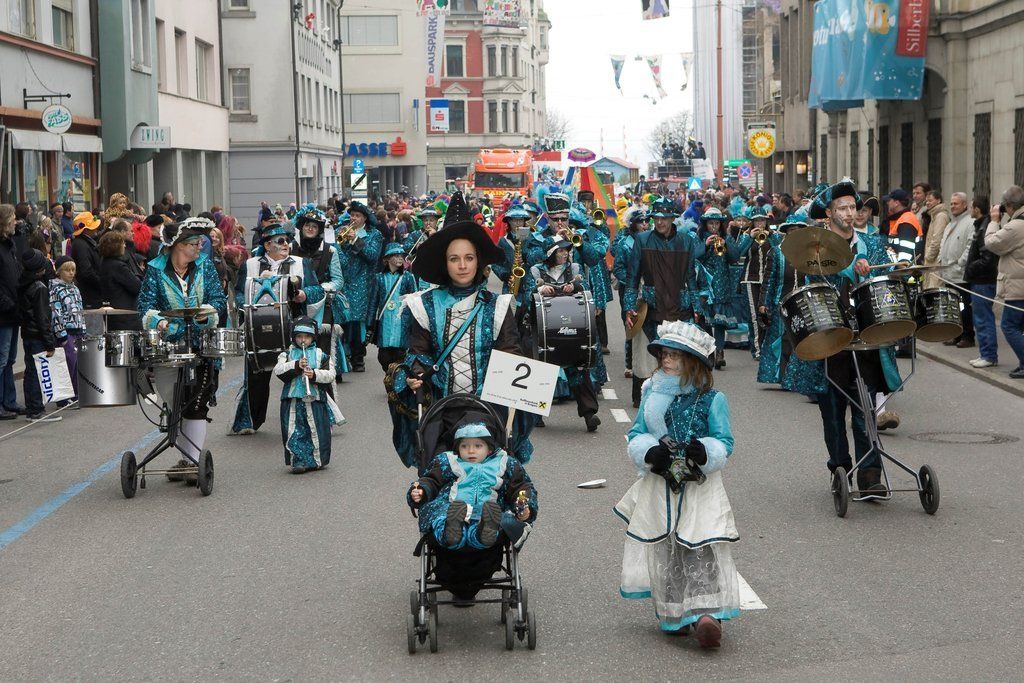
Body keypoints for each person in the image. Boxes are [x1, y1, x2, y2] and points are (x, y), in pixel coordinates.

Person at [386, 191, 535, 468]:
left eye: (469, 257)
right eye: (454, 259)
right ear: (445, 262)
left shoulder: (498, 305)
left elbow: (510, 354)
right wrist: (416, 374)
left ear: (479, 261)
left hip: (489, 411)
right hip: (441, 412)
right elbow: (419, 352)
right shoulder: (424, 305)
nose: (463, 265)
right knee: (439, 480)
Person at [615, 321, 738, 647]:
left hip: (699, 486)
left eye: (675, 356)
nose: (666, 361)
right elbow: (638, 432)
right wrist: (648, 452)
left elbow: (724, 441)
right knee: (667, 546)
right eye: (664, 355)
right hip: (661, 484)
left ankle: (707, 615)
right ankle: (674, 614)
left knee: (699, 542)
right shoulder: (651, 392)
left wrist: (706, 451)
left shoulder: (712, 398)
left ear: (693, 362)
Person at [802, 180, 903, 494]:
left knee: (864, 411)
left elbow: (883, 284)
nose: (849, 213)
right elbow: (811, 286)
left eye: (852, 207)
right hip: (832, 338)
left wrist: (874, 271)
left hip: (867, 337)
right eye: (842, 208)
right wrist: (846, 269)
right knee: (832, 414)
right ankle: (840, 469)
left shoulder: (871, 243)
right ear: (829, 213)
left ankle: (870, 476)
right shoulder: (816, 246)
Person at [137, 219, 226, 479]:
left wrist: (207, 313)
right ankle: (188, 460)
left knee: (197, 403)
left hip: (202, 345)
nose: (200, 247)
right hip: (169, 347)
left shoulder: (205, 265)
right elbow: (145, 305)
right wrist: (159, 321)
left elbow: (218, 299)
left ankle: (191, 461)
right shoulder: (155, 269)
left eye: (200, 243)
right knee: (175, 400)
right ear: (178, 245)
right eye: (194, 243)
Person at [231, 222, 325, 435]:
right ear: (267, 245)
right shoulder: (250, 265)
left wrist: (304, 294)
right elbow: (238, 293)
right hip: (258, 328)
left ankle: (312, 417)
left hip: (294, 326)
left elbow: (317, 290)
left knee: (301, 370)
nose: (286, 245)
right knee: (256, 375)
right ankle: (250, 420)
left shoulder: (301, 263)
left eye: (288, 240)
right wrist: (246, 303)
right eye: (280, 241)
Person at [623, 197, 705, 404]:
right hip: (651, 307)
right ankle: (643, 399)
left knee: (677, 356)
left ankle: (676, 398)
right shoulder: (642, 240)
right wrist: (628, 307)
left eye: (665, 218)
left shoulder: (686, 241)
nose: (660, 222)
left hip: (679, 307)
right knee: (645, 359)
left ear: (672, 218)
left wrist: (697, 307)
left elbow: (691, 278)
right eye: (656, 218)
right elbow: (632, 277)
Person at [408, 421, 537, 550]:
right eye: (464, 446)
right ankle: (450, 532)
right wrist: (422, 490)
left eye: (478, 446)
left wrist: (524, 507)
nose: (471, 451)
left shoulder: (505, 463)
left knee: (500, 520)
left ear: (489, 449)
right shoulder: (448, 462)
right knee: (440, 515)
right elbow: (431, 480)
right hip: (452, 506)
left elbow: (521, 486)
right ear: (457, 449)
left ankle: (483, 532)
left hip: (487, 510)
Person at [529, 239, 601, 432]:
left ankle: (589, 414)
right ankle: (536, 414)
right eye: (560, 251)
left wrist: (575, 287)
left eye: (567, 251)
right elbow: (527, 292)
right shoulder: (536, 270)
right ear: (550, 253)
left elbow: (585, 289)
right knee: (541, 369)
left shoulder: (574, 268)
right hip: (544, 327)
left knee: (578, 366)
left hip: (572, 324)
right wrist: (539, 289)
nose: (565, 254)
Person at [273, 316, 340, 473]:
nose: (303, 340)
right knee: (294, 431)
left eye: (307, 337)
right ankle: (298, 461)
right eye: (299, 336)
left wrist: (314, 374)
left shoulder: (321, 355)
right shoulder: (287, 354)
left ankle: (316, 460)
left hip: (315, 400)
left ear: (313, 337)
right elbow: (278, 370)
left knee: (316, 430)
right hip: (292, 400)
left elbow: (331, 375)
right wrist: (296, 365)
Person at [289, 204, 348, 380]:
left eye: (314, 226)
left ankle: (324, 374)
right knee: (298, 337)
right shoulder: (291, 248)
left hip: (323, 302)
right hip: (297, 301)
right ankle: (298, 371)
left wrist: (319, 290)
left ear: (319, 230)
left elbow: (338, 280)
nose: (310, 229)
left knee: (323, 340)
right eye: (307, 225)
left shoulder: (330, 250)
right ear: (301, 227)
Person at [336, 201, 383, 373]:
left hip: (363, 281)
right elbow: (335, 252)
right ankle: (344, 354)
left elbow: (372, 256)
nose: (353, 219)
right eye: (352, 215)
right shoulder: (340, 230)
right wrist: (342, 243)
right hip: (344, 280)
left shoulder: (374, 234)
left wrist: (355, 240)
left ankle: (358, 356)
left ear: (365, 218)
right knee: (343, 317)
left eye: (357, 216)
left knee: (357, 320)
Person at [983, 185, 1024, 379]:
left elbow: (991, 243)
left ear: (1009, 206)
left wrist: (993, 221)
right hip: (1020, 285)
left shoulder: (1016, 226)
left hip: (1018, 288)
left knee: (1009, 325)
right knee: (1018, 327)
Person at [18, 249, 61, 422]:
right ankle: (36, 409)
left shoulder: (23, 283)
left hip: (27, 333)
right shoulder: (40, 288)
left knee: (30, 371)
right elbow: (43, 318)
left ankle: (31, 407)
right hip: (38, 336)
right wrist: (50, 343)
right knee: (37, 372)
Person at [697, 207, 740, 369]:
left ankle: (720, 352)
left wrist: (726, 244)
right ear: (705, 224)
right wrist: (706, 245)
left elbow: (735, 258)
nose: (714, 227)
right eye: (711, 223)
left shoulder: (726, 238)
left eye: (716, 223)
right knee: (707, 321)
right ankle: (710, 352)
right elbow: (693, 256)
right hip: (706, 284)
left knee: (720, 322)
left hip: (722, 284)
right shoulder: (699, 238)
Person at [367, 242, 417, 372]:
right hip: (385, 322)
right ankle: (390, 375)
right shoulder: (379, 278)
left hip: (402, 322)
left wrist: (414, 324)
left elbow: (415, 301)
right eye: (396, 255)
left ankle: (397, 379)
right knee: (383, 357)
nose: (400, 258)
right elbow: (373, 302)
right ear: (387, 259)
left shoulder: (408, 277)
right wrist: (369, 324)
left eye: (402, 256)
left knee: (400, 355)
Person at [611, 208, 648, 379]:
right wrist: (633, 281)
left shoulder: (650, 240)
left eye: (646, 221)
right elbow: (618, 268)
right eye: (641, 222)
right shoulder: (624, 244)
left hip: (647, 288)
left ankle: (648, 361)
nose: (645, 224)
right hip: (629, 289)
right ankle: (629, 363)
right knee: (631, 323)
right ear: (633, 224)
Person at [964, 195, 999, 368]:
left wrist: (970, 267)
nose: (971, 210)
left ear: (977, 209)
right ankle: (986, 353)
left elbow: (988, 258)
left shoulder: (984, 227)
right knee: (981, 318)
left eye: (972, 207)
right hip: (981, 279)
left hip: (983, 280)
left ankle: (989, 355)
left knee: (983, 318)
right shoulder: (981, 225)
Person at [49, 256, 84, 404]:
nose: (71, 273)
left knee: (78, 363)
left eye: (73, 270)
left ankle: (75, 393)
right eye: (67, 270)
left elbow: (80, 310)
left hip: (78, 329)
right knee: (68, 362)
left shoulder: (75, 288)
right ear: (59, 271)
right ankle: (63, 397)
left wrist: (83, 327)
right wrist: (61, 334)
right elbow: (56, 313)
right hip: (66, 332)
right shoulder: (55, 290)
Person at [98, 231, 142, 331]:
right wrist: (137, 275)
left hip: (112, 315)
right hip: (125, 316)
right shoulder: (118, 266)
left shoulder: (104, 263)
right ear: (116, 246)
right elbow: (137, 286)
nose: (124, 246)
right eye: (123, 243)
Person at [69, 211, 104, 312]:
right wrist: (101, 283)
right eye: (93, 227)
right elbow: (86, 271)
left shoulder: (85, 243)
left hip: (92, 293)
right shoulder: (81, 245)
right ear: (86, 230)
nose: (96, 229)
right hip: (90, 295)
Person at [922, 190, 951, 288]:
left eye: (930, 200)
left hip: (935, 262)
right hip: (933, 262)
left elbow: (937, 239)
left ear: (938, 200)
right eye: (926, 201)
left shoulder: (940, 216)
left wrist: (928, 257)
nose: (927, 203)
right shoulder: (934, 216)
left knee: (934, 288)